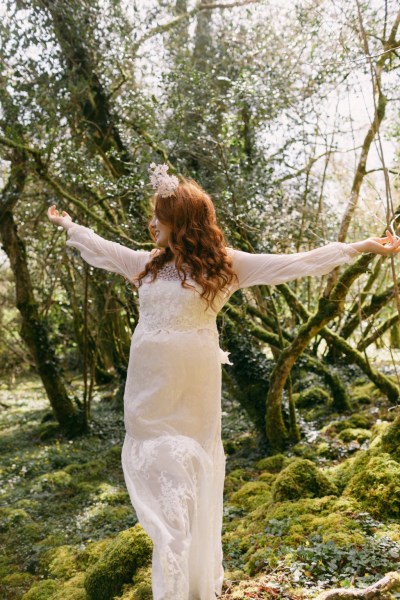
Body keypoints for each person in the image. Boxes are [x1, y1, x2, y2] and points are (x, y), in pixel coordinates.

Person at [47, 164, 400, 600]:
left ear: (183, 221)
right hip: (147, 396)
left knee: (189, 475)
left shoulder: (226, 266)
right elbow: (104, 247)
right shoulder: (146, 266)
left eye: (159, 215)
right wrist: (69, 224)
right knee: (159, 474)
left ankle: (185, 584)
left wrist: (360, 247)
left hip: (192, 397)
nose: (151, 223)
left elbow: (295, 263)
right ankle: (174, 561)